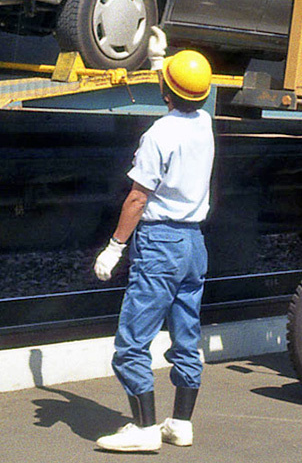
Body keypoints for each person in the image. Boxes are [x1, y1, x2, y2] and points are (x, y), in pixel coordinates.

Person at [92, 35, 215, 453]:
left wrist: (114, 247)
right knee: (186, 335)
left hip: (160, 244)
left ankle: (144, 430)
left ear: (164, 90)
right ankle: (180, 423)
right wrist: (164, 61)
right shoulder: (206, 123)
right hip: (194, 244)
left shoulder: (158, 135)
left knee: (131, 343)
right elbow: (192, 95)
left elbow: (137, 198)